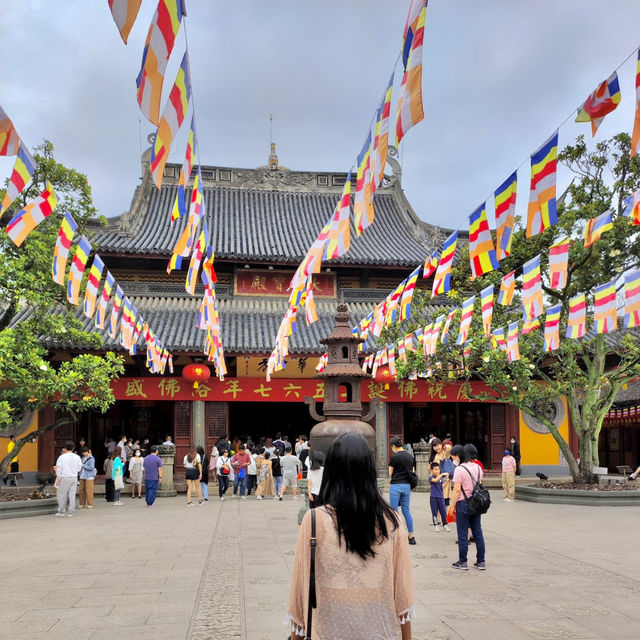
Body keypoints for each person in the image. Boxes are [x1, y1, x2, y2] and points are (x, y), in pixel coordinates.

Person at [287, 432, 414, 640]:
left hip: (329, 629)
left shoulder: (314, 520)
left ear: (332, 470)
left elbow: (300, 592)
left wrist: (296, 636)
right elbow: (402, 594)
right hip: (380, 629)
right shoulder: (392, 521)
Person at [448, 444, 486, 571]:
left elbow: (457, 490)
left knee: (463, 534)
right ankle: (481, 561)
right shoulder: (478, 468)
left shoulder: (459, 469)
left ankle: (463, 561)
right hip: (476, 503)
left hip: (463, 503)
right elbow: (479, 484)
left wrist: (451, 506)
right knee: (478, 532)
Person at [388, 436, 416, 545]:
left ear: (394, 446)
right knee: (406, 511)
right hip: (407, 486)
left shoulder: (394, 458)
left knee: (394, 511)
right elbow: (413, 471)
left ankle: (396, 535)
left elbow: (390, 473)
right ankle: (411, 536)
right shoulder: (410, 456)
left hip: (396, 485)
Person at [54, 441, 83, 517]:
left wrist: (58, 478)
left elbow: (59, 469)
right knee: (72, 494)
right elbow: (79, 468)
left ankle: (61, 511)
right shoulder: (77, 457)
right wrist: (74, 471)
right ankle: (71, 512)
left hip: (65, 477)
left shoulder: (62, 457)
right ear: (73, 448)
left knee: (62, 495)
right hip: (74, 477)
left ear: (65, 448)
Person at [429, 462, 450, 532]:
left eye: (438, 469)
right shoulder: (431, 477)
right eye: (435, 469)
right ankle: (436, 525)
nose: (437, 471)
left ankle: (445, 524)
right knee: (434, 512)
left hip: (441, 497)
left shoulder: (440, 478)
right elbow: (435, 480)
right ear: (431, 470)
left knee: (443, 512)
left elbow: (442, 486)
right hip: (433, 497)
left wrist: (446, 481)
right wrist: (441, 475)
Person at [438, 440, 456, 507]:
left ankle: (445, 517)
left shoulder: (453, 459)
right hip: (441, 482)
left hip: (447, 484)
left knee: (446, 503)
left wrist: (449, 477)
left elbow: (453, 471)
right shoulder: (441, 457)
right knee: (440, 504)